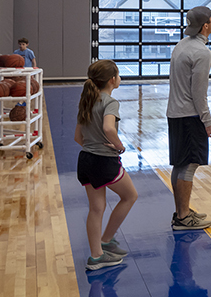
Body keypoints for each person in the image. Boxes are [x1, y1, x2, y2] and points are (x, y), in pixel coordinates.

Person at [75, 60, 138, 270]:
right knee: (130, 196)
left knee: (96, 208)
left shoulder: (87, 100)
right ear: (112, 80)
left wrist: (92, 147)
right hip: (104, 161)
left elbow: (78, 137)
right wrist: (119, 146)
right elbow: (109, 128)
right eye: (118, 74)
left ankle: (97, 255)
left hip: (85, 160)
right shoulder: (110, 102)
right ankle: (107, 239)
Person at [167, 6, 211, 230]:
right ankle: (184, 216)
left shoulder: (181, 45)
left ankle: (181, 213)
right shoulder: (202, 53)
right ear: (205, 25)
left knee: (180, 164)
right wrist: (208, 121)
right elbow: (198, 92)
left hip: (175, 113)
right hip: (190, 116)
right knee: (189, 165)